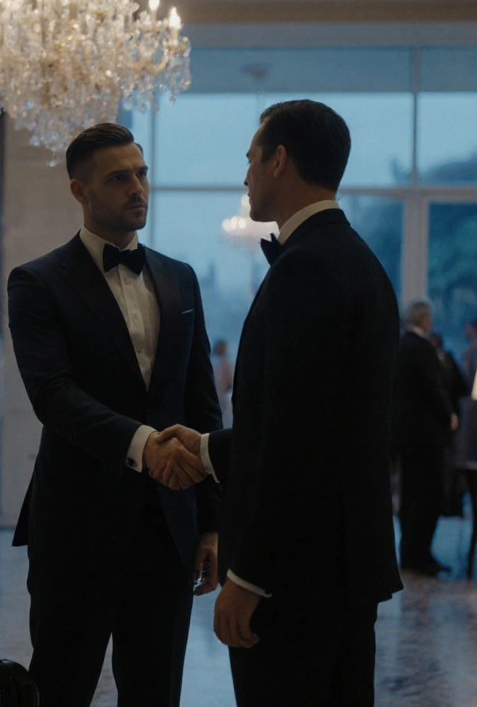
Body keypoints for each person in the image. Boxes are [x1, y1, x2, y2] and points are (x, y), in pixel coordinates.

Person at [157, 100, 402, 706]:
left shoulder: (307, 269)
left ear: (279, 160)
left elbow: (296, 444)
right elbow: (320, 426)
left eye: (250, 160)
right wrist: (210, 447)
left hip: (299, 575)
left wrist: (250, 576)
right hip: (341, 567)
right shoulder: (358, 260)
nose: (245, 177)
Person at [6, 123, 222, 707]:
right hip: (76, 526)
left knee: (156, 692)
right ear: (81, 191)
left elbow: (202, 403)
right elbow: (52, 395)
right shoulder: (37, 282)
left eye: (142, 173)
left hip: (167, 528)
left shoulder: (182, 279)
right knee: (60, 686)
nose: (138, 188)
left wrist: (210, 523)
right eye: (120, 178)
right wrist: (144, 444)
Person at [393, 300, 458, 576]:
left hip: (405, 435)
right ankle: (421, 555)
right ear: (424, 319)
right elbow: (434, 388)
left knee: (410, 495)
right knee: (430, 494)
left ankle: (409, 552)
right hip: (427, 436)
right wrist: (449, 416)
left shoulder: (399, 345)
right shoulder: (422, 348)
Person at [430, 330, 468, 518]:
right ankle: (449, 503)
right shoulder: (449, 360)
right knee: (448, 462)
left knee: (446, 464)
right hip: (448, 419)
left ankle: (448, 502)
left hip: (442, 421)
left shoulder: (443, 361)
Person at [211, 339, 234, 428]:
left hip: (212, 398)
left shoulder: (211, 361)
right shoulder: (226, 363)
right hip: (223, 399)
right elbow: (231, 382)